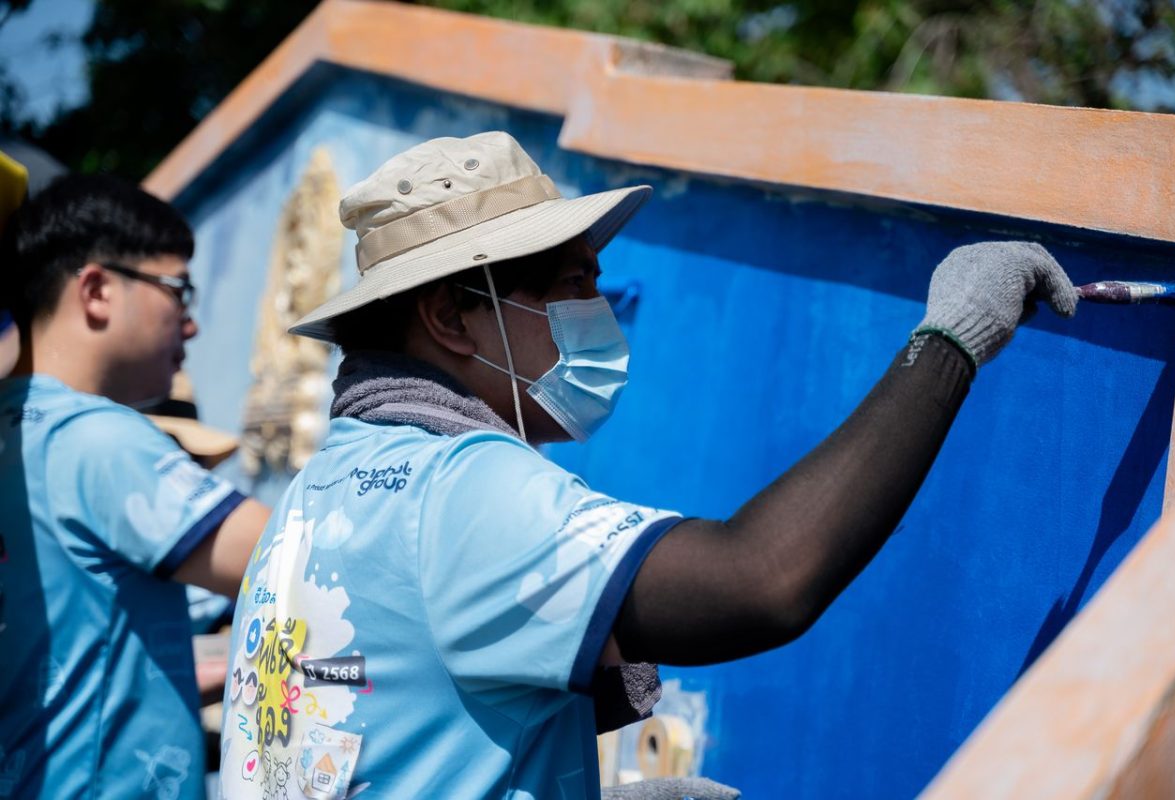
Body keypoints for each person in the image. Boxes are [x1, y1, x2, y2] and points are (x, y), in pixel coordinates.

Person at [216, 131, 1077, 799]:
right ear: (450, 317)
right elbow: (762, 580)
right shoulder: (462, 490)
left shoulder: (314, 498)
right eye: (572, 286)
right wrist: (950, 340)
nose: (599, 313)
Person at [0, 175, 271, 799]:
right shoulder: (95, 438)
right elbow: (297, 562)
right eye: (179, 291)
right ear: (97, 291)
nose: (191, 325)